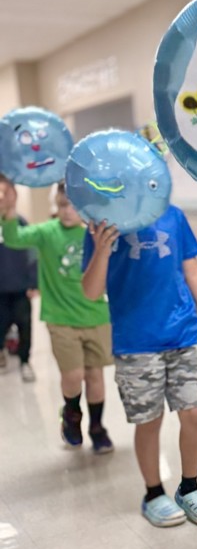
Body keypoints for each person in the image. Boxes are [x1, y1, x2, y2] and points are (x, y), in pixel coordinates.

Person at [81, 204, 197, 526]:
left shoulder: (173, 215)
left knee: (195, 412)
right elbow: (90, 292)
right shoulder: (102, 223)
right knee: (149, 420)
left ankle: (189, 487)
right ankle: (153, 493)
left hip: (183, 333)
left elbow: (192, 270)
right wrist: (102, 250)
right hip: (135, 341)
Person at [0, 179, 114, 450]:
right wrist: (10, 209)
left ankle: (97, 427)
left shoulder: (94, 234)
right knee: (73, 375)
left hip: (96, 316)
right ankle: (72, 415)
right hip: (61, 318)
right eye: (62, 205)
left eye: (74, 206)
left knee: (95, 375)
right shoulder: (47, 232)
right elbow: (15, 237)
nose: (67, 211)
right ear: (56, 206)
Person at [0, 174, 37, 382]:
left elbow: (32, 253)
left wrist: (33, 281)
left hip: (20, 286)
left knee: (24, 325)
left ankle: (25, 361)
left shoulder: (20, 222)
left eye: (5, 193)